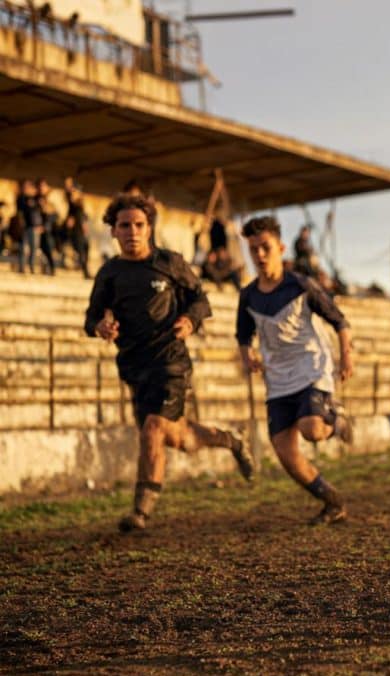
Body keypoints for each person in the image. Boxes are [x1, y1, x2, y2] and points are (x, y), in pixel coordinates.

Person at [84, 194, 254, 533]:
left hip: (171, 362)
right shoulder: (110, 273)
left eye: (138, 225)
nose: (132, 231)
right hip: (135, 366)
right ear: (113, 231)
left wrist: (190, 321)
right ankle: (229, 440)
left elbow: (201, 300)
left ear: (149, 228)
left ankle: (140, 512)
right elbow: (91, 318)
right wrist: (100, 326)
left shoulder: (169, 263)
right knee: (177, 437)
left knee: (153, 429)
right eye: (124, 226)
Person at [236, 216, 355, 525]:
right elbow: (243, 335)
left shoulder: (301, 285)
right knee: (286, 455)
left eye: (265, 248)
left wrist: (346, 357)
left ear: (280, 248)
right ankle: (332, 502)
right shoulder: (248, 295)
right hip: (277, 379)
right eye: (253, 250)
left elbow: (339, 321)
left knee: (312, 429)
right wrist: (248, 355)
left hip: (310, 367)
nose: (260, 255)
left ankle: (336, 418)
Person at [63, 177, 91, 278]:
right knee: (81, 250)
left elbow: (83, 217)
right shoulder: (72, 204)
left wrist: (85, 225)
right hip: (76, 230)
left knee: (86, 248)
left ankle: (84, 269)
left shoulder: (80, 204)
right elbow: (71, 217)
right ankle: (85, 272)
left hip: (80, 229)